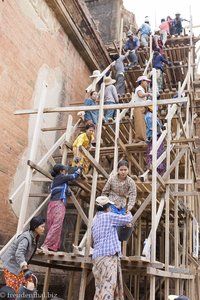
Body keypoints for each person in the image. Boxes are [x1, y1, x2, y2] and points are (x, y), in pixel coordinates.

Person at [92, 196, 133, 300]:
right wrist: (128, 210)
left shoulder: (95, 220)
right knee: (108, 288)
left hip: (97, 258)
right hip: (108, 257)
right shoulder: (109, 216)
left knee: (99, 288)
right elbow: (128, 219)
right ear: (107, 208)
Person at [41, 164, 80, 252]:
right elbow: (74, 176)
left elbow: (59, 189)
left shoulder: (55, 180)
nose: (65, 171)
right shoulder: (62, 177)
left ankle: (53, 246)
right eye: (64, 170)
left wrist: (66, 193)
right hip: (58, 204)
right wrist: (79, 170)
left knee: (53, 225)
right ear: (61, 171)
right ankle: (46, 245)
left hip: (52, 204)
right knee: (56, 225)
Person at [1, 216, 45, 294]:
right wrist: (25, 269)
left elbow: (28, 248)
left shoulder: (34, 236)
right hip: (12, 267)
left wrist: (36, 250)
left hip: (19, 268)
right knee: (13, 292)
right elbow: (19, 253)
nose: (43, 229)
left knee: (30, 286)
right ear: (35, 227)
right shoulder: (26, 238)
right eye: (42, 227)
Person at [144, 105, 166, 175]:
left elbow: (157, 125)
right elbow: (151, 127)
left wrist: (161, 127)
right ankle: (155, 167)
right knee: (154, 152)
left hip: (156, 135)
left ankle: (158, 168)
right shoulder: (149, 116)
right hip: (153, 136)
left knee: (158, 152)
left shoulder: (152, 115)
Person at [134, 75, 152, 143]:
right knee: (139, 124)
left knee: (142, 124)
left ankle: (143, 139)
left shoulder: (142, 89)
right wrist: (148, 94)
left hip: (141, 108)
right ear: (142, 81)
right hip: (138, 108)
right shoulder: (139, 88)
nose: (147, 83)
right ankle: (140, 139)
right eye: (146, 81)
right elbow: (140, 95)